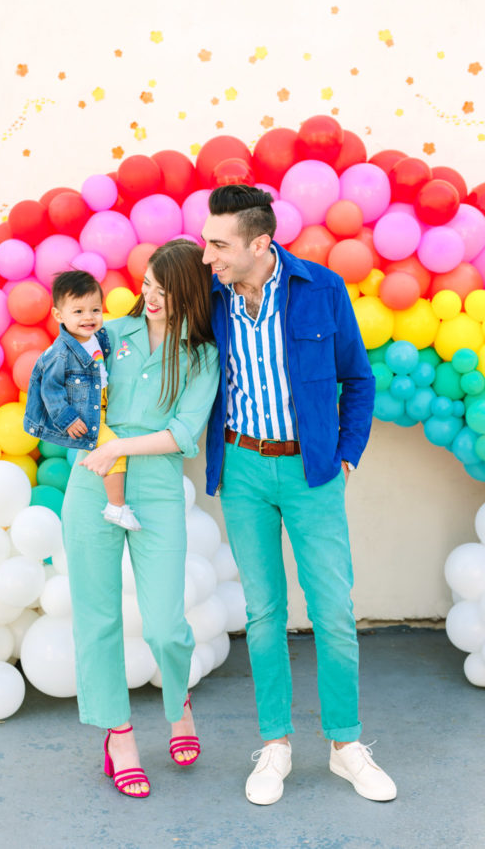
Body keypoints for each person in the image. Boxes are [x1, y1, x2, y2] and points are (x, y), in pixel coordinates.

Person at [202, 184, 397, 805]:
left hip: (311, 472)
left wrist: (344, 454)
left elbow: (357, 379)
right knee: (262, 615)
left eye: (219, 244)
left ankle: (345, 747)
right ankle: (276, 746)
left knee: (332, 611)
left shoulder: (321, 290)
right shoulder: (206, 297)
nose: (209, 256)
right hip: (242, 469)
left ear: (261, 243)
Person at [61, 240, 220, 798]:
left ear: (190, 294)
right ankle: (119, 736)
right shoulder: (106, 336)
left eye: (164, 289)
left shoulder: (202, 355)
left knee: (162, 624)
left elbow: (183, 433)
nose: (150, 297)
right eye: (148, 284)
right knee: (98, 617)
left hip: (154, 486)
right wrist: (96, 441)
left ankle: (178, 704)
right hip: (90, 481)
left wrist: (122, 448)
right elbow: (65, 388)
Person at [24, 270, 141, 530]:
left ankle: (115, 502)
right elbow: (49, 389)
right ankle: (116, 507)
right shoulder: (60, 353)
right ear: (59, 315)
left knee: (115, 446)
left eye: (95, 310)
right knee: (114, 449)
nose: (88, 317)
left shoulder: (96, 337)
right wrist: (67, 418)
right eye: (78, 312)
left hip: (102, 405)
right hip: (85, 416)